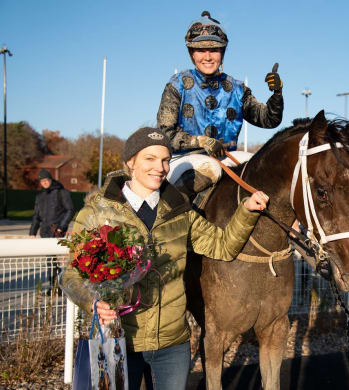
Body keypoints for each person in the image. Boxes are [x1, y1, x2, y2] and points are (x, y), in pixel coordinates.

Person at [61, 127, 269, 390]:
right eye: (150, 158)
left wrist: (246, 212)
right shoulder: (96, 213)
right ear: (130, 163)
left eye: (165, 160)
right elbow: (70, 275)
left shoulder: (180, 211)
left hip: (172, 346)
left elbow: (223, 246)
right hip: (119, 341)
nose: (159, 167)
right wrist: (93, 302)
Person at [156, 10, 284, 194]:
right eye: (200, 50)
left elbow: (268, 120)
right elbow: (165, 134)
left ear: (222, 53)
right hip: (184, 159)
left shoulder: (237, 88)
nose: (207, 57)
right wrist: (201, 141)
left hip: (228, 157)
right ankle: (171, 217)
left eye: (214, 50)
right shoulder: (177, 85)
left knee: (262, 169)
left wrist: (277, 95)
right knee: (211, 168)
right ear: (192, 53)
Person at [30, 169, 75, 293]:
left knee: (53, 260)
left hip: (57, 232)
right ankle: (56, 286)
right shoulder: (40, 196)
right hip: (45, 232)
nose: (44, 183)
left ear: (50, 180)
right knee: (50, 260)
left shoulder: (62, 192)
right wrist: (32, 232)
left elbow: (70, 210)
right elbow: (36, 215)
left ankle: (58, 286)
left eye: (46, 180)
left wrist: (61, 226)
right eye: (42, 181)